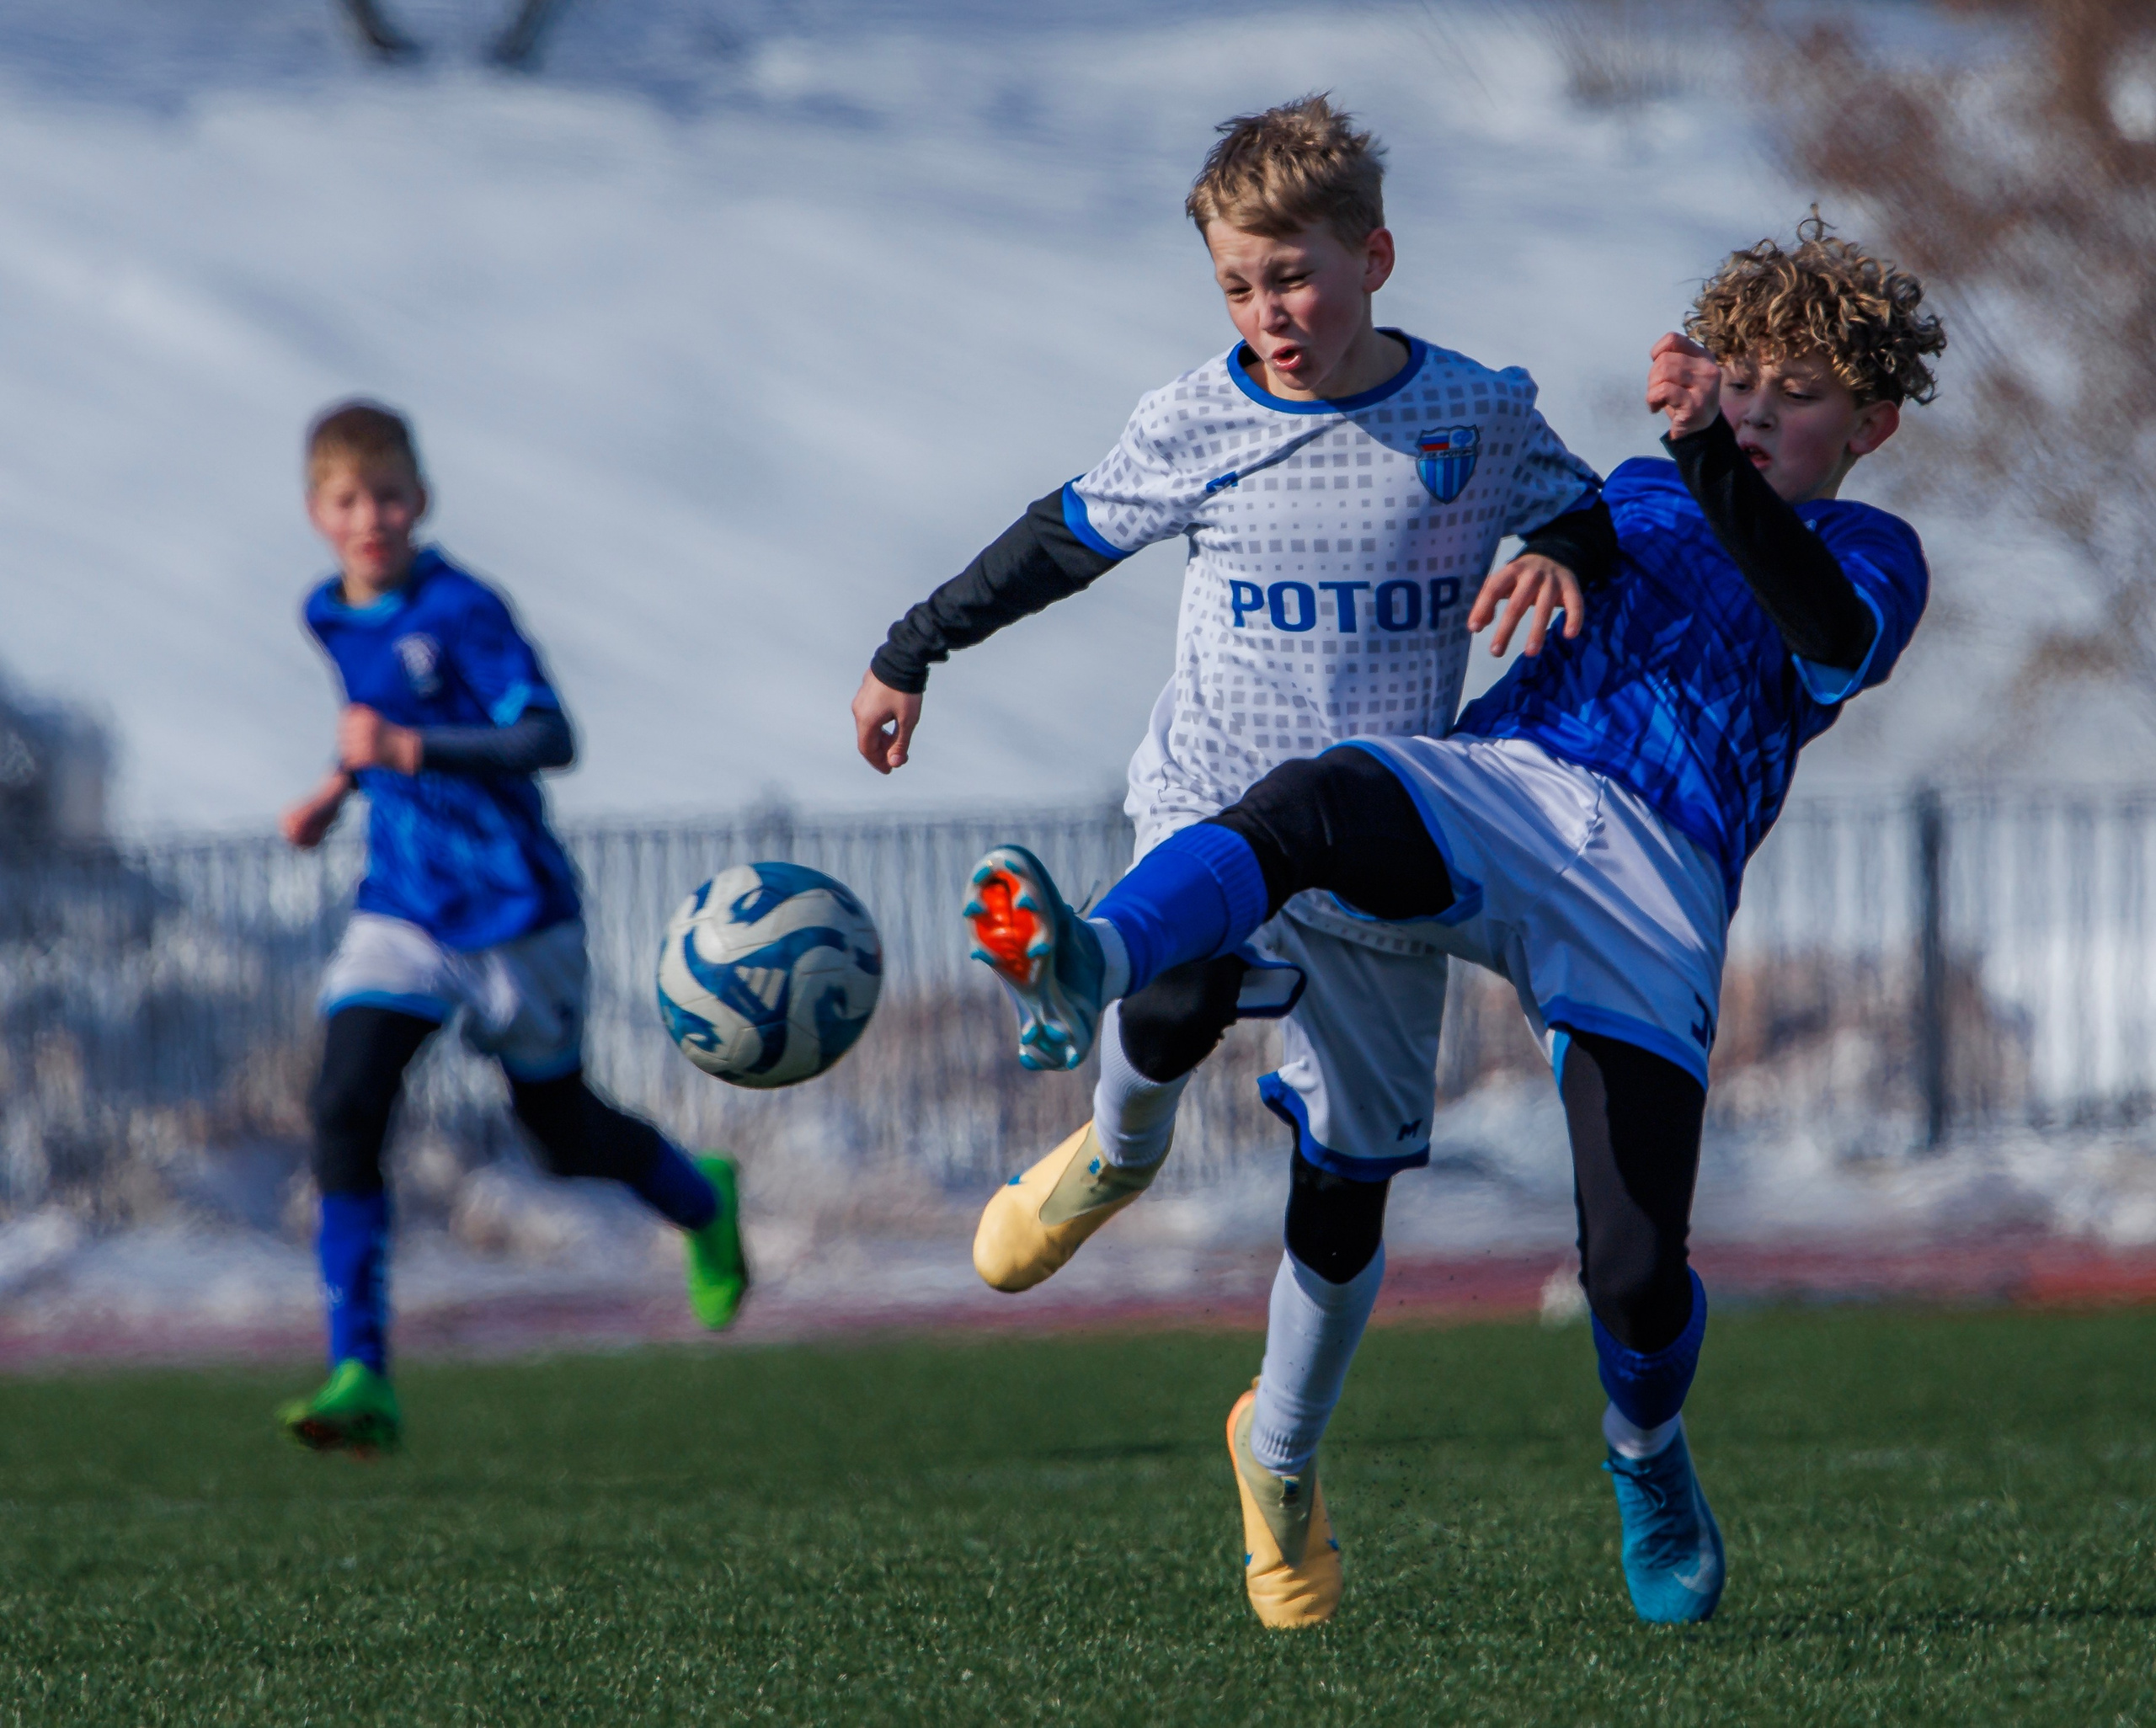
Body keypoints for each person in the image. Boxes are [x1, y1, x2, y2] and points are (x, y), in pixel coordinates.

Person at [963, 219, 1945, 1626]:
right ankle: (1092, 957)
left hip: (1653, 883)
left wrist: (1705, 458)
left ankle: (1647, 1454)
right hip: (1508, 787)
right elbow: (1501, 519)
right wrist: (1552, 552)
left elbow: (1826, 636)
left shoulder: (1870, 549)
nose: (1755, 409)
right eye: (1740, 380)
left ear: (1872, 424)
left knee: (1631, 1270)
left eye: (1798, 394)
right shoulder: (1637, 486)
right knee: (1321, 795)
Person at [852, 95, 1611, 1319]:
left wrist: (1564, 552)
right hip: (1214, 793)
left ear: (1374, 258)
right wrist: (913, 649)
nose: (1267, 315)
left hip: (1382, 834)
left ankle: (1285, 1427)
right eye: (1237, 289)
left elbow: (1583, 510)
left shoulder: (1475, 414)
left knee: (1346, 1194)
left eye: (1293, 279)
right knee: (1181, 977)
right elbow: (1060, 542)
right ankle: (1115, 1146)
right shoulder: (1195, 421)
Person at [275, 401, 748, 1453]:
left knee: (561, 1135)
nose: (370, 518)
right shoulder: (327, 613)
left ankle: (701, 1201)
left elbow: (549, 736)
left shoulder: (465, 608)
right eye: (348, 500)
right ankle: (361, 1372)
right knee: (345, 1104)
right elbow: (371, 728)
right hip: (403, 910)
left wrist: (408, 753)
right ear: (317, 513)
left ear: (421, 500)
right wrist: (332, 793)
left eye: (388, 496)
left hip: (517, 910)